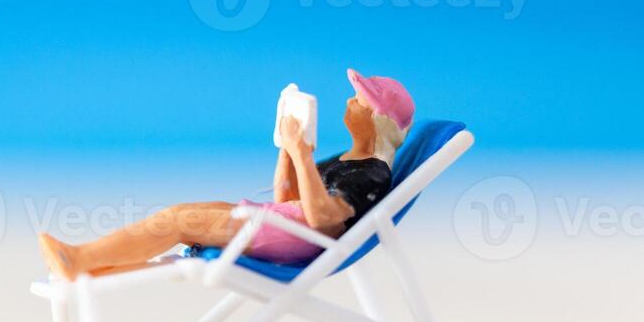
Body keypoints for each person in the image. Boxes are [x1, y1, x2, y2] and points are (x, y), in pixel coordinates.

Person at [37, 68, 414, 280]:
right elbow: (288, 199)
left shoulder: (372, 175)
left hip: (295, 240)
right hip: (284, 224)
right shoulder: (344, 159)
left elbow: (321, 221)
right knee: (184, 212)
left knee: (178, 221)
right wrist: (287, 148)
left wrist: (301, 152)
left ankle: (79, 260)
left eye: (361, 100)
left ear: (380, 119)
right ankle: (91, 265)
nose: (351, 100)